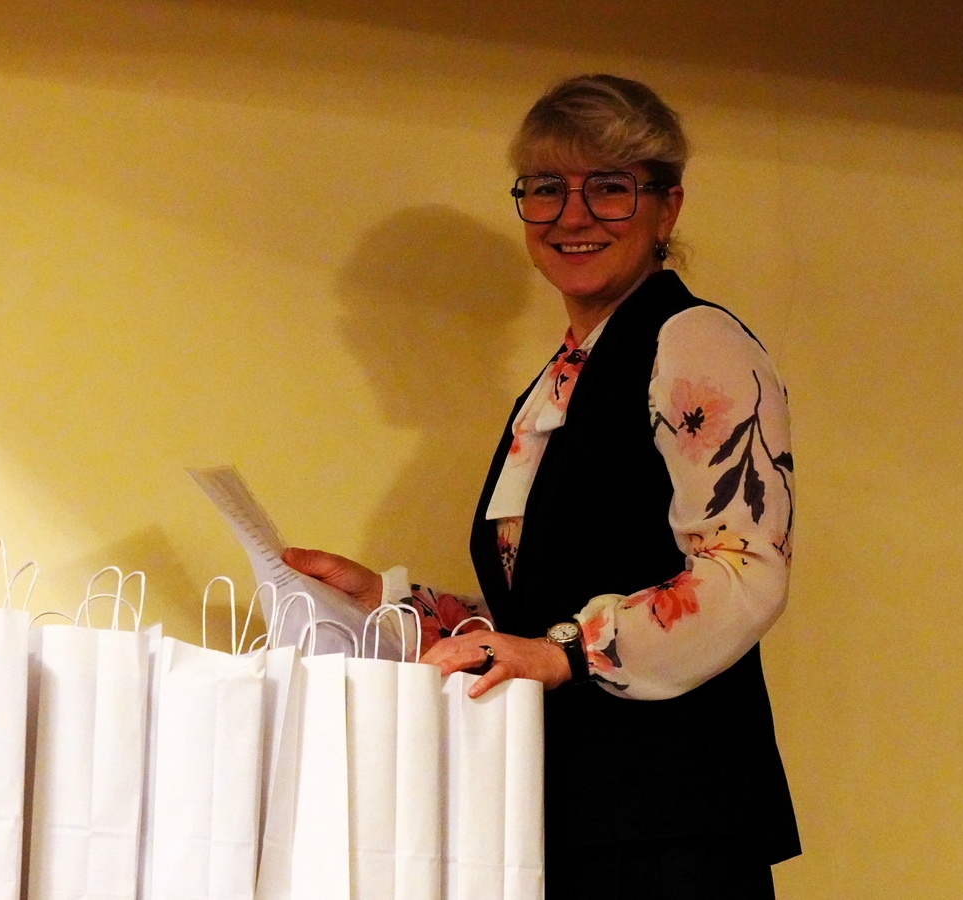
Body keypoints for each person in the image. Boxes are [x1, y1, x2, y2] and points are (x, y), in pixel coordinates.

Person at [285, 74, 799, 898]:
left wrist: (564, 653)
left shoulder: (695, 340)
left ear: (667, 209)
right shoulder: (562, 379)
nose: (573, 215)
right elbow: (541, 615)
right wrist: (392, 605)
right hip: (568, 810)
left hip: (669, 825)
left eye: (610, 188)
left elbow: (744, 572)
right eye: (547, 189)